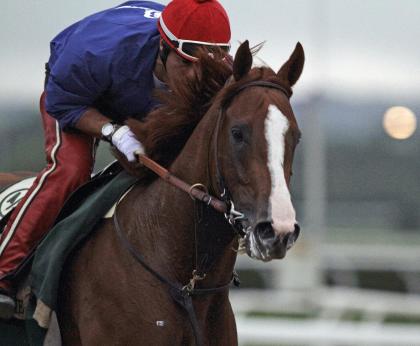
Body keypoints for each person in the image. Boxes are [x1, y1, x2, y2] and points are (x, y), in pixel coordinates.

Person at [0, 0, 231, 319]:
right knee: (71, 171)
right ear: (162, 48)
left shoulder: (218, 69)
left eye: (204, 68)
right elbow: (62, 104)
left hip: (142, 99)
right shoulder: (96, 52)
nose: (195, 78)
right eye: (186, 64)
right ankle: (5, 272)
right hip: (76, 94)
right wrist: (112, 131)